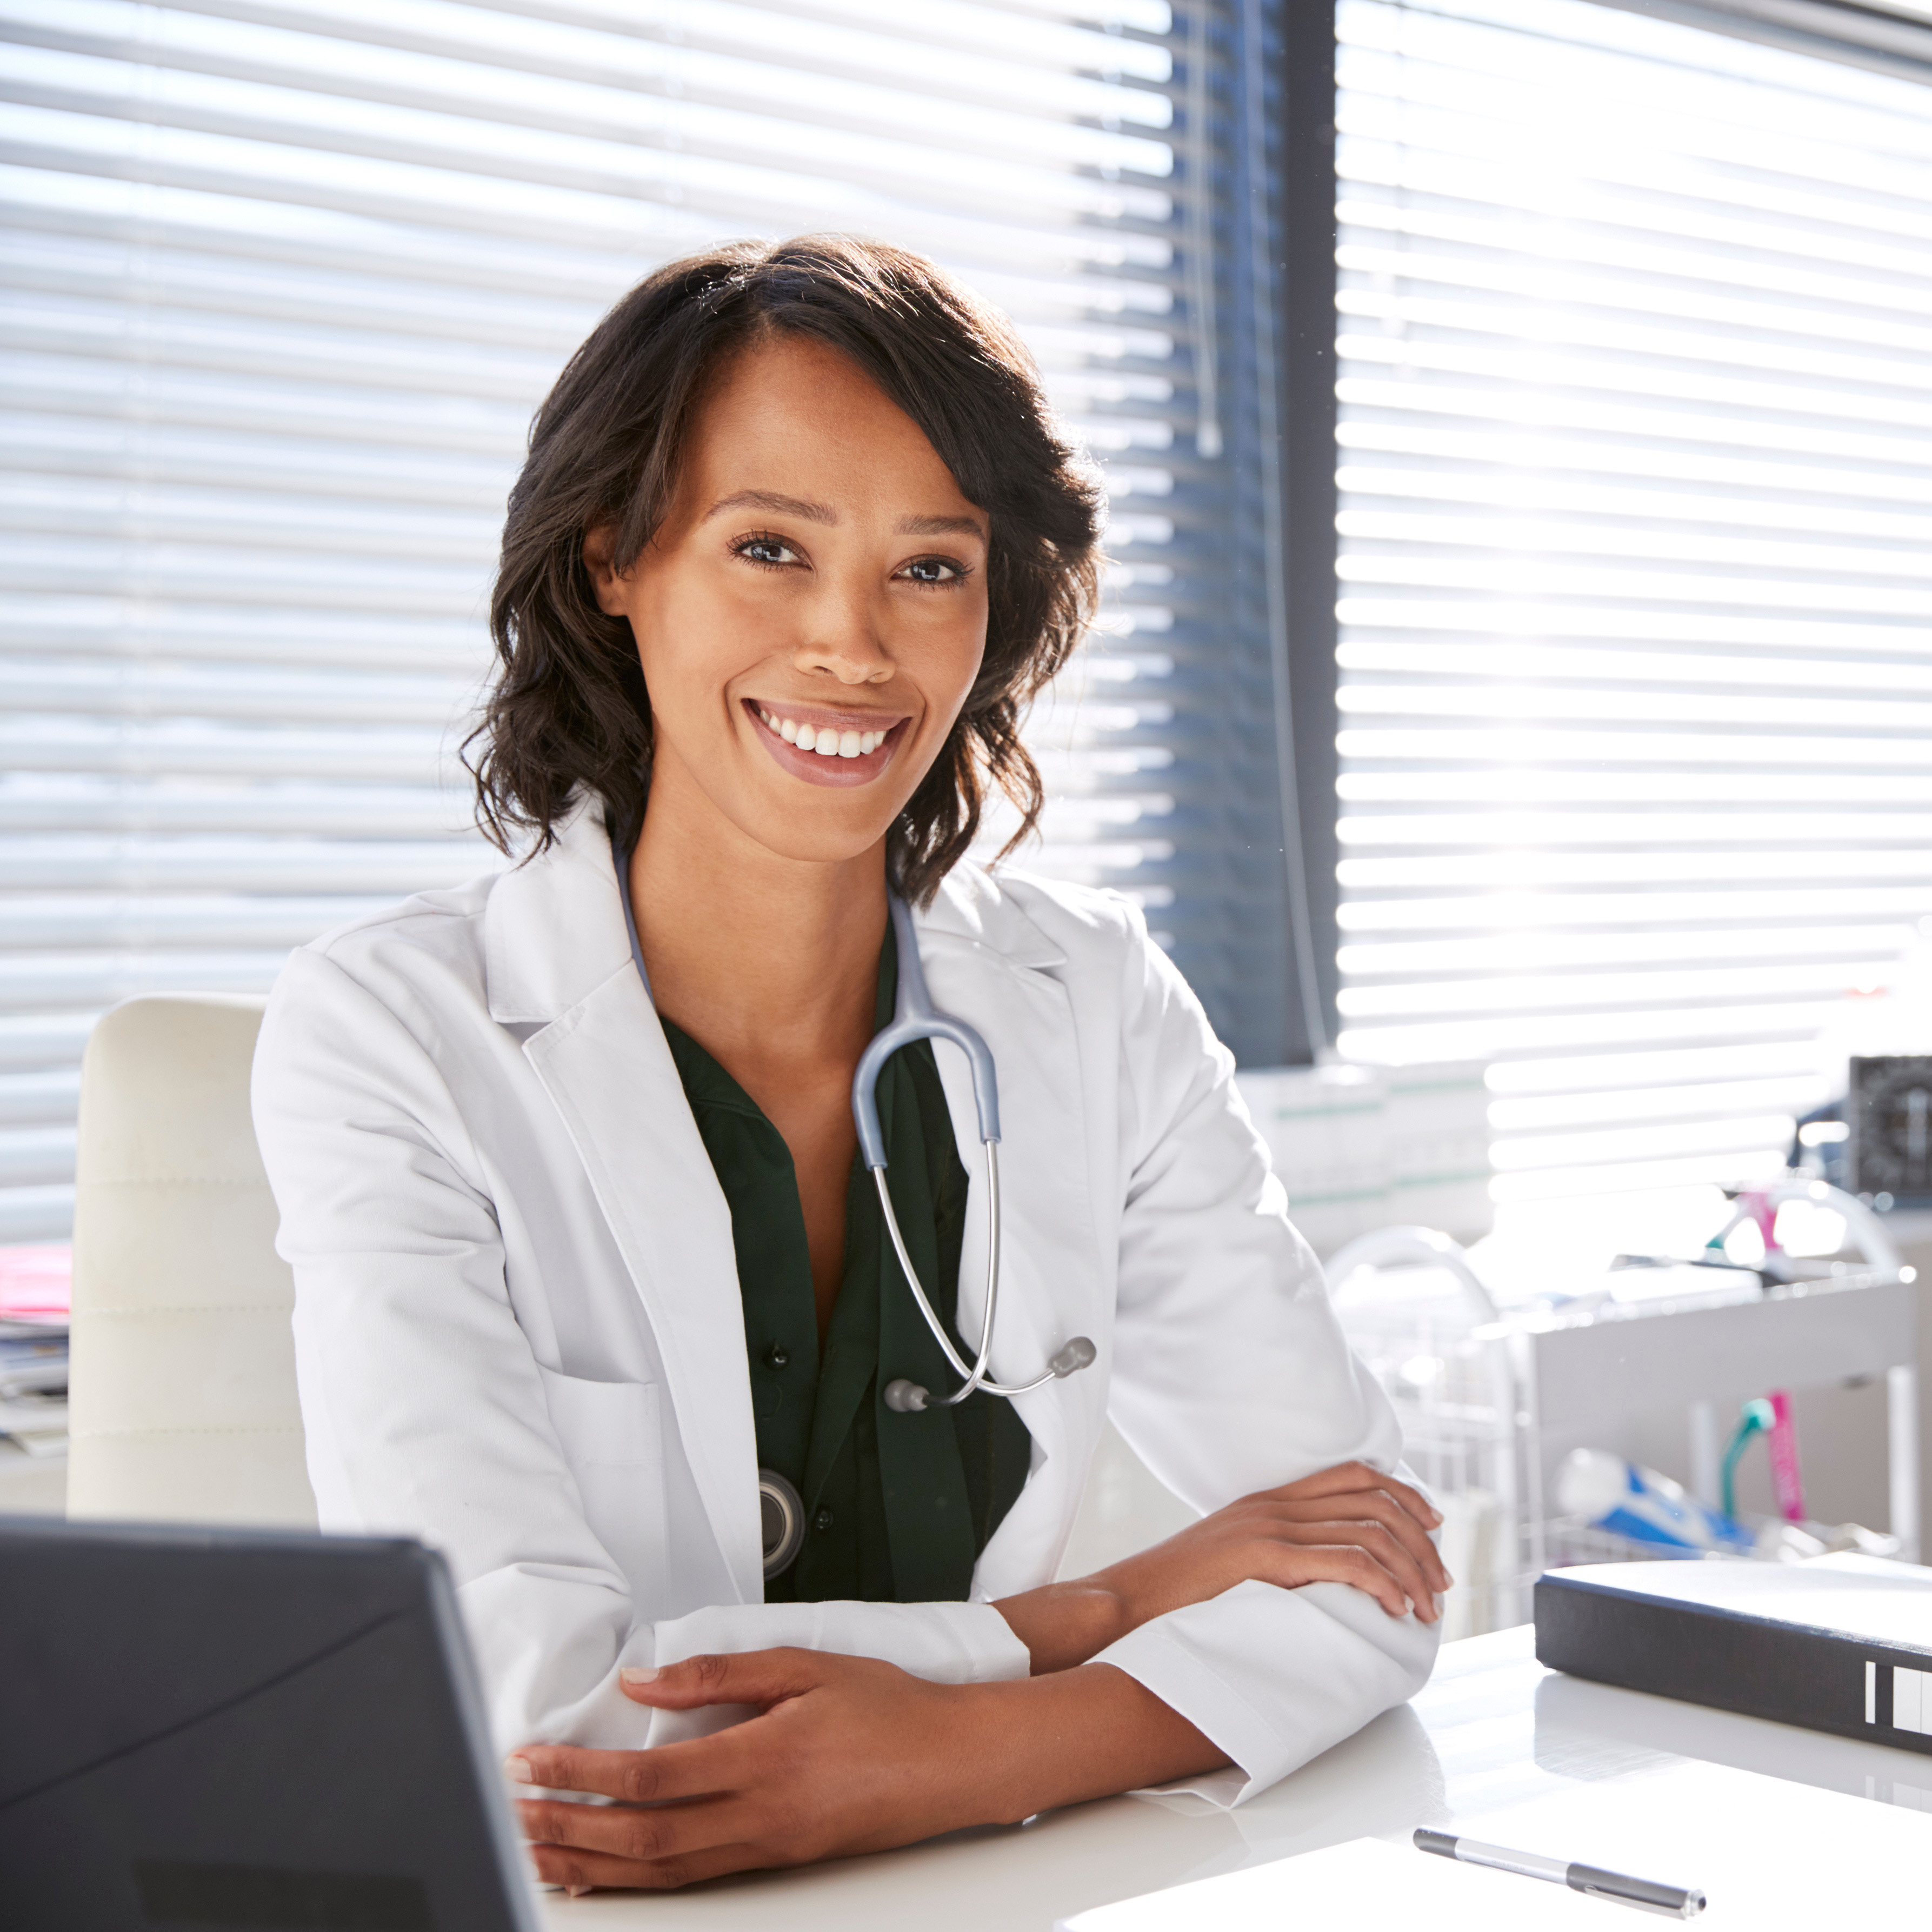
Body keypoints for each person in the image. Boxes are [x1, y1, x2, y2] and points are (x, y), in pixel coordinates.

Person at [251, 235, 1446, 1894]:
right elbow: (548, 1736)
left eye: (931, 567)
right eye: (768, 548)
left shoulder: (1094, 997)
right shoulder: (394, 1033)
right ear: (612, 558)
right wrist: (1090, 1620)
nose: (854, 647)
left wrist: (967, 1751)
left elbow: (1362, 1571)